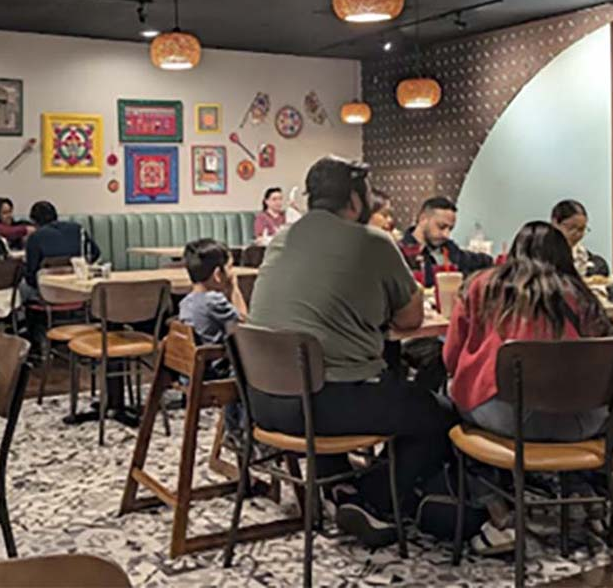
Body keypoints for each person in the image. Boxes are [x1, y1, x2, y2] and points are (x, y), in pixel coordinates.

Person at [248, 156, 454, 547]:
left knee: (343, 377)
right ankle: (375, 495)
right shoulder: (373, 241)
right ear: (356, 200)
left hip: (264, 401)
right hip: (323, 403)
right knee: (437, 414)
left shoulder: (282, 239)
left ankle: (342, 490)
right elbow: (411, 318)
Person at [443, 221, 613, 553]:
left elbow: (451, 358)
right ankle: (587, 497)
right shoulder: (583, 297)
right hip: (585, 422)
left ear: (513, 252)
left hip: (512, 419)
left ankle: (498, 515)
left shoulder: (481, 286)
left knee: (452, 403)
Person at [178, 238, 248, 379]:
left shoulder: (186, 302)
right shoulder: (214, 301)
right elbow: (244, 324)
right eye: (230, 267)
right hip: (217, 373)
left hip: (193, 372)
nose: (232, 273)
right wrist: (234, 288)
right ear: (217, 275)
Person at [400, 197, 493, 287]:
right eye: (441, 227)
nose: (446, 235)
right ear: (423, 219)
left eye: (450, 229)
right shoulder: (402, 253)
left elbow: (480, 261)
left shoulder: (449, 248)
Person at [22, 201, 100, 299]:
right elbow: (95, 253)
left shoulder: (35, 237)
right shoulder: (77, 229)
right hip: (78, 291)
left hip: (48, 294)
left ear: (34, 221)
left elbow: (31, 276)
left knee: (22, 287)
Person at [551, 199, 610, 277]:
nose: (577, 234)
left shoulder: (587, 259)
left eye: (581, 229)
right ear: (555, 223)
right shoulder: (540, 257)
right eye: (571, 228)